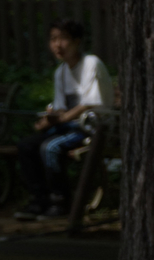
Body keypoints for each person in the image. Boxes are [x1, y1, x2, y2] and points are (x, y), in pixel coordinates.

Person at [15, 19, 108, 220]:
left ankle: (61, 201)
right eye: (53, 39)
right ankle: (39, 199)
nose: (58, 45)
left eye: (63, 39)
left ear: (77, 41)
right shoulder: (61, 72)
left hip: (92, 128)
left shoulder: (91, 64)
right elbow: (59, 108)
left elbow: (89, 104)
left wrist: (62, 118)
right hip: (68, 128)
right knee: (26, 146)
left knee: (50, 147)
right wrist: (48, 119)